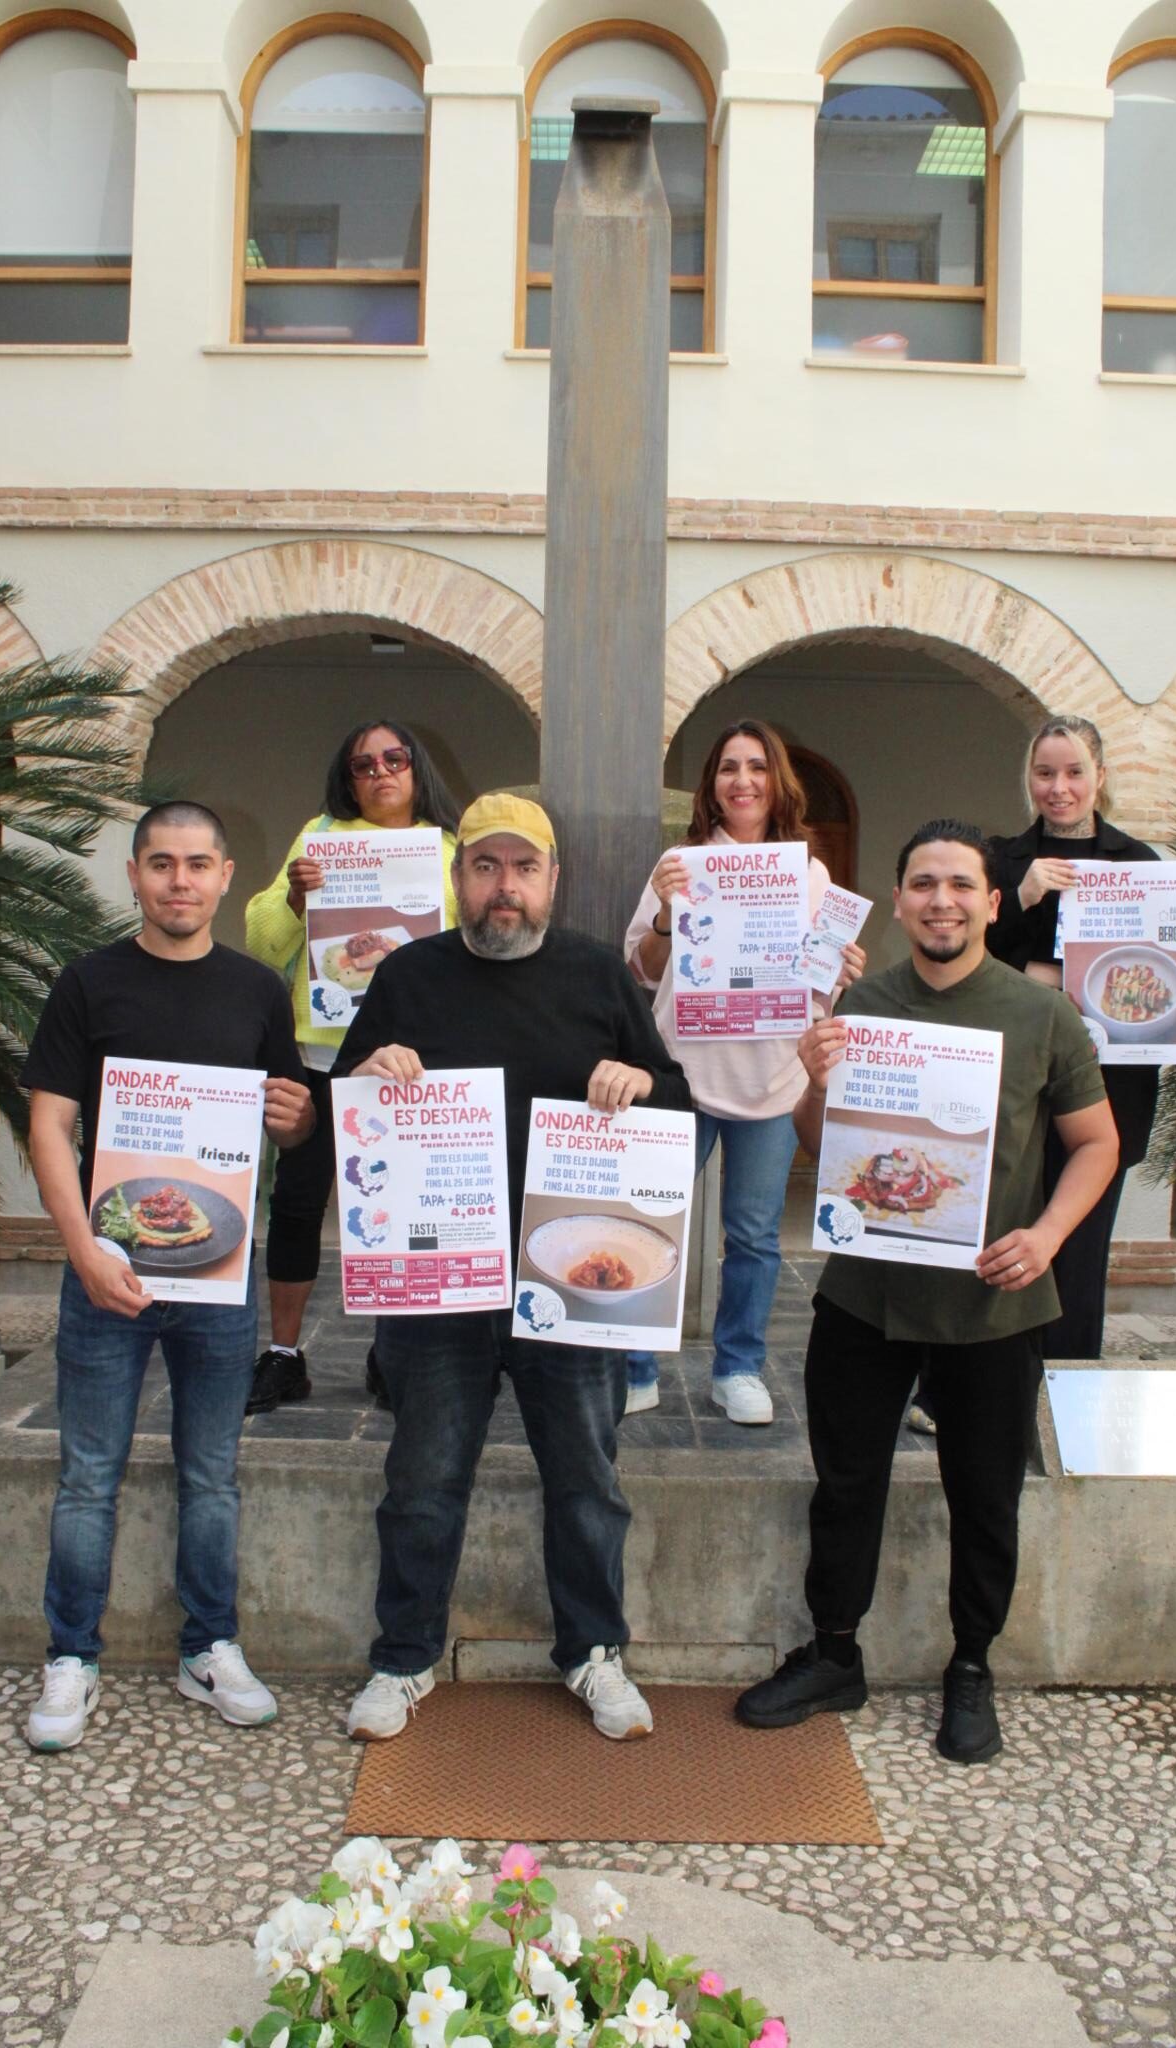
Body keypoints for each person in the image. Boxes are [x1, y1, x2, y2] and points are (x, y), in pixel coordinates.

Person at [735, 820, 1119, 1765]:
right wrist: (813, 1084)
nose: (939, 901)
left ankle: (971, 1666)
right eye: (921, 884)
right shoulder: (863, 1003)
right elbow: (823, 1145)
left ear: (990, 902)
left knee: (983, 1497)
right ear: (899, 900)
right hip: (865, 1298)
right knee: (845, 1483)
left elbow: (1096, 1144)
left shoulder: (1041, 1015)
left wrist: (1046, 1235)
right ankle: (834, 1653)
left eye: (958, 885)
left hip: (992, 1304)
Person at [335, 793, 692, 1743]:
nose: (505, 887)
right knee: (421, 1482)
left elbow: (678, 1100)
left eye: (523, 868)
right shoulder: (408, 974)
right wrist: (364, 1079)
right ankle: (402, 1658)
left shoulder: (596, 973)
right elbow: (344, 1108)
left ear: (551, 880)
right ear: (458, 877)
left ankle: (593, 1652)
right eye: (486, 867)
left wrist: (642, 1082)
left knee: (586, 1483)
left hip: (569, 1287)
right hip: (439, 1284)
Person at [21, 802, 315, 1751]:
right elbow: (49, 1124)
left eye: (196, 864)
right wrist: (82, 1251)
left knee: (212, 1475)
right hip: (106, 1273)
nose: (178, 881)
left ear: (226, 876)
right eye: (160, 863)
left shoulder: (256, 989)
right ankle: (71, 1655)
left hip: (219, 1279)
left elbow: (289, 1120)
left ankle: (210, 1647)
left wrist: (295, 1120)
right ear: (135, 874)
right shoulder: (88, 981)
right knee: (87, 1475)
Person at [624, 721, 864, 1425]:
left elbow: (816, 985)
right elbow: (640, 970)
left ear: (777, 782)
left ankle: (737, 1369)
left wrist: (840, 970)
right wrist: (665, 915)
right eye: (729, 767)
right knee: (651, 1219)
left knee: (754, 1237)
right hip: (682, 1071)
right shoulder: (680, 862)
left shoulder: (809, 874)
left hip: (772, 1079)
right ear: (712, 785)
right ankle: (636, 1367)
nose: (743, 781)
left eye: (756, 767)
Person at [987, 715, 1176, 1359]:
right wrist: (1021, 895)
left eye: (1074, 772)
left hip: (1111, 1087)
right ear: (1029, 778)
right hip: (1016, 1084)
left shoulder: (1140, 862)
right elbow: (966, 961)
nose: (1059, 788)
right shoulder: (1003, 861)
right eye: (1045, 773)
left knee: (1082, 1244)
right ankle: (989, 1383)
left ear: (1099, 776)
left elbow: (1174, 970)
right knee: (1005, 1234)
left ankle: (1067, 1383)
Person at [244, 721, 459, 1414]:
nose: (379, 772)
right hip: (319, 1059)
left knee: (403, 1208)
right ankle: (283, 1354)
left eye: (394, 759)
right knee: (297, 1205)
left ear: (418, 769)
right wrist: (294, 901)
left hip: (408, 1068)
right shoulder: (318, 838)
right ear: (347, 779)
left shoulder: (448, 850)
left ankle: (391, 1351)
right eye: (363, 765)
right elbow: (261, 940)